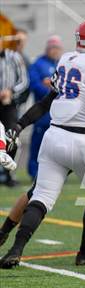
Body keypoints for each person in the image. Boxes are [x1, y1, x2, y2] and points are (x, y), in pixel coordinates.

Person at [0, 16, 85, 268]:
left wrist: (20, 124)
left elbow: (46, 102)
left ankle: (15, 249)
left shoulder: (67, 59)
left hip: (54, 136)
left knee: (41, 196)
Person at [27, 35, 63, 179]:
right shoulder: (37, 64)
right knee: (38, 143)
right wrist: (51, 90)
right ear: (47, 49)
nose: (55, 51)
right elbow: (34, 84)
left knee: (57, 146)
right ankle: (34, 173)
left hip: (60, 113)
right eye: (53, 48)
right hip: (43, 112)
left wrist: (51, 85)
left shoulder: (62, 64)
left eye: (58, 48)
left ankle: (55, 174)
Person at [0, 33, 29, 186]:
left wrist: (10, 91)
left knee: (12, 137)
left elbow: (24, 80)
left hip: (8, 104)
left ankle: (7, 174)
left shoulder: (13, 57)